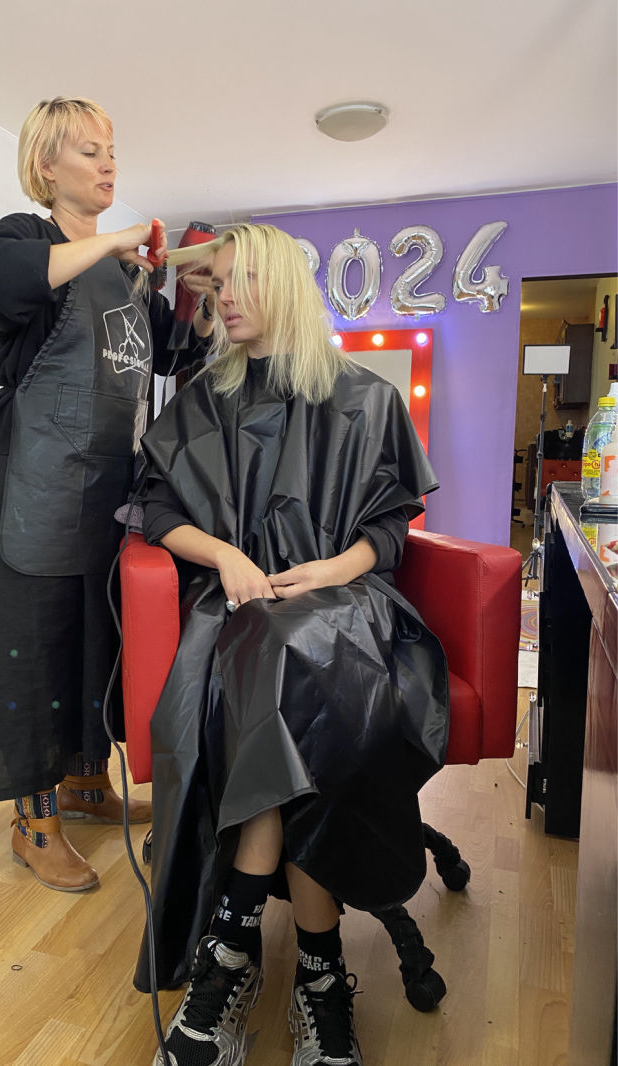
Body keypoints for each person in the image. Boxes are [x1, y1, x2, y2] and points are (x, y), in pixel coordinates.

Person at [133, 223, 449, 1065]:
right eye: (213, 284)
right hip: (236, 607)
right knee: (276, 660)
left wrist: (329, 571)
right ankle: (320, 972)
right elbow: (157, 511)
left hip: (345, 605)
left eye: (238, 280)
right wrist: (225, 555)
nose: (221, 298)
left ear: (282, 283)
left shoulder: (364, 398)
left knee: (290, 659)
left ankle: (231, 951)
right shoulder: (202, 399)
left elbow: (390, 527)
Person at [0, 96, 214, 893]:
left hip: (107, 492)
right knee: (33, 653)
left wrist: (199, 292)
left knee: (95, 643)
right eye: (90, 151)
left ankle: (84, 782)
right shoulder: (22, 240)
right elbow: (6, 283)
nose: (108, 164)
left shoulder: (127, 277)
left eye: (112, 151)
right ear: (46, 166)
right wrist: (120, 240)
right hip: (37, 488)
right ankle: (33, 823)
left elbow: (174, 354)